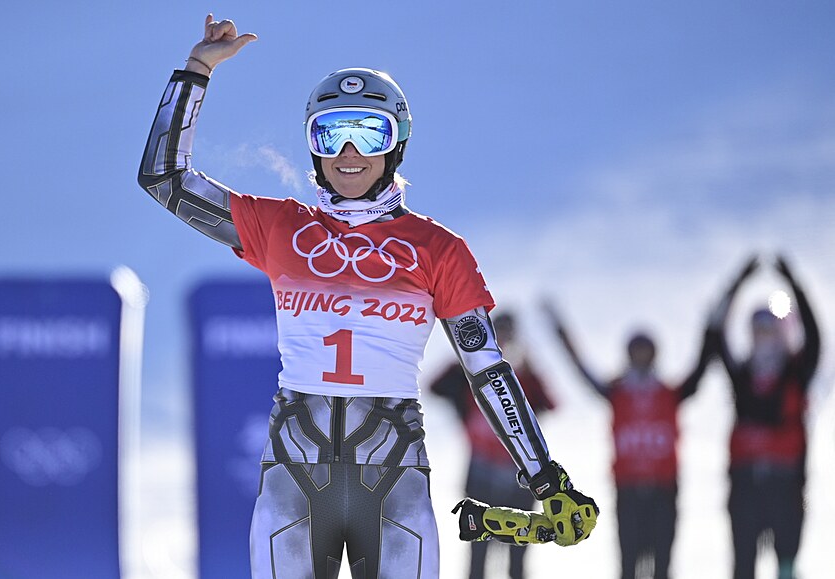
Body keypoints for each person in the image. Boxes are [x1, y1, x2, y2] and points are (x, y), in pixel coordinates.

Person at [137, 15, 598, 578]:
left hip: (394, 479)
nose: (348, 152)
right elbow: (165, 178)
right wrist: (197, 69)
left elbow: (489, 372)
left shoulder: (438, 249)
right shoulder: (279, 226)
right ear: (311, 145)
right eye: (330, 134)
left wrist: (545, 478)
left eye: (369, 134)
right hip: (294, 477)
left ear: (397, 143)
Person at [545, 301, 712, 579]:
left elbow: (702, 366)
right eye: (636, 351)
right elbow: (582, 371)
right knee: (628, 567)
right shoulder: (617, 392)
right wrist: (560, 333)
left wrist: (713, 326)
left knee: (662, 567)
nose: (641, 357)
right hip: (628, 492)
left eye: (646, 351)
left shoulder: (670, 393)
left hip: (664, 492)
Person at [708, 255, 820, 579]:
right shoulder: (741, 377)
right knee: (743, 566)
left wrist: (794, 283)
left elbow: (814, 336)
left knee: (786, 566)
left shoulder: (796, 373)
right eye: (757, 329)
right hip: (745, 486)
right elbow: (715, 333)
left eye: (769, 329)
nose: (763, 336)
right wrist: (737, 283)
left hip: (786, 485)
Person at [430, 310, 556, 579]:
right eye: (498, 333)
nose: (504, 339)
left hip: (519, 479)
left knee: (518, 560)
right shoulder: (468, 374)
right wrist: (468, 353)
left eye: (509, 332)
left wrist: (529, 364)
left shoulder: (524, 377)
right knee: (477, 559)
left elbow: (552, 403)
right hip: (481, 475)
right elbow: (434, 386)